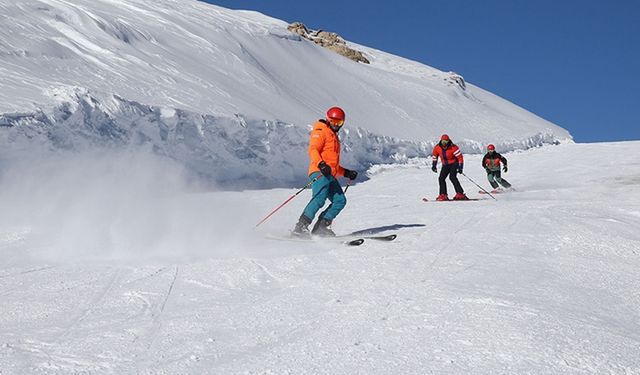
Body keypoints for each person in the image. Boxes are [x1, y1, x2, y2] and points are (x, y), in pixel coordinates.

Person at [292, 106, 358, 237]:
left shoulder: (334, 137)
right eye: (333, 121)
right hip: (319, 171)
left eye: (338, 122)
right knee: (319, 199)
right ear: (328, 119)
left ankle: (321, 227)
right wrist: (321, 164)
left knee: (340, 200)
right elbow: (313, 149)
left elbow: (332, 164)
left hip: (329, 174)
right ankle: (300, 228)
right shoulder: (321, 130)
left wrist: (345, 172)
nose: (335, 124)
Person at [431, 134, 468, 201]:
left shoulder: (453, 147)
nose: (444, 143)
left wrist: (460, 167)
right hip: (445, 165)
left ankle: (460, 193)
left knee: (452, 177)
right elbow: (435, 156)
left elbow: (460, 158)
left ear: (448, 141)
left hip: (454, 163)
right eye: (443, 141)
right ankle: (443, 194)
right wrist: (434, 165)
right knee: (441, 178)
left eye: (446, 142)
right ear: (441, 141)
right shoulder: (437, 147)